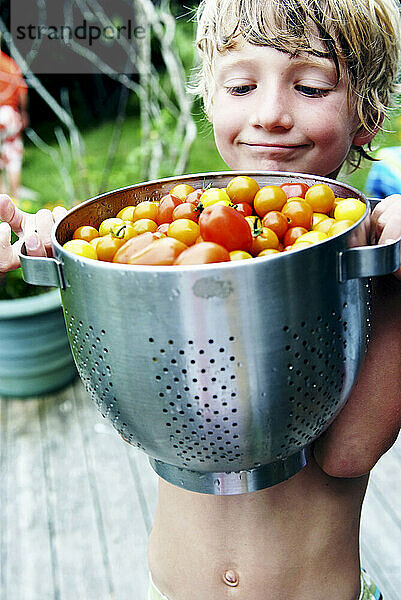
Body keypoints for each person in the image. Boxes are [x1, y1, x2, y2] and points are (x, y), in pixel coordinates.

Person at [1, 0, 401, 598]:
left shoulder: (371, 247)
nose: (270, 114)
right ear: (211, 100)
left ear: (365, 116)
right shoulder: (166, 234)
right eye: (242, 84)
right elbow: (109, 282)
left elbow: (347, 455)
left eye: (312, 87)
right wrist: (44, 241)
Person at [0, 48, 28, 200]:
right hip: (9, 115)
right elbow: (22, 90)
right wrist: (23, 113)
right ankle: (15, 199)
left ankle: (1, 202)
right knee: (13, 158)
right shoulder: (9, 64)